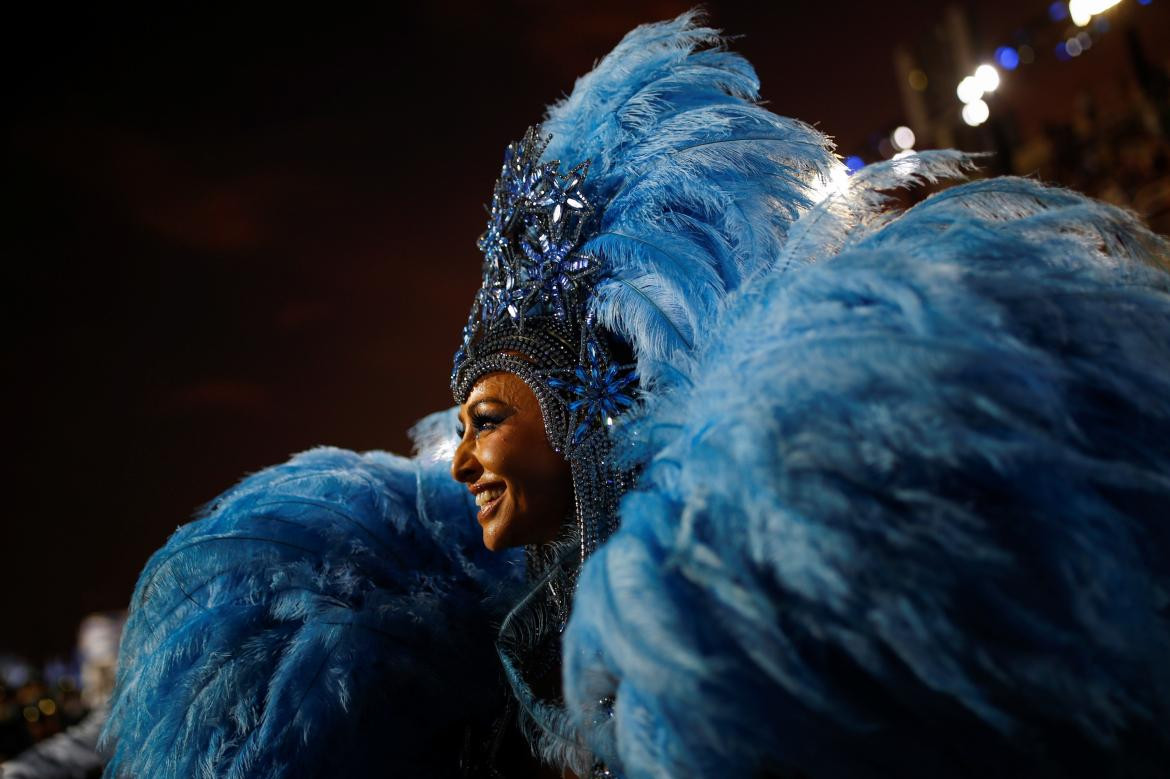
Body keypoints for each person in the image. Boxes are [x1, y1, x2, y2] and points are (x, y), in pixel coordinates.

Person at [101, 12, 1170, 778]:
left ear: (582, 411)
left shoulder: (733, 618)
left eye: (486, 418)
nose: (463, 457)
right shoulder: (495, 648)